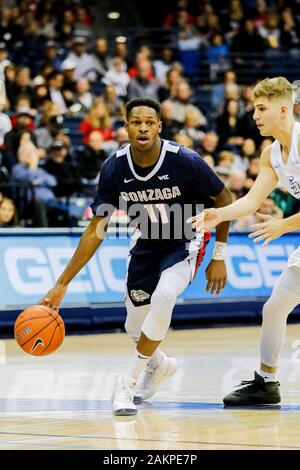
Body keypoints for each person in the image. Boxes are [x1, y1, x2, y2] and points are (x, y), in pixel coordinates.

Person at [39, 98, 232, 416]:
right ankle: (160, 365)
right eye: (136, 121)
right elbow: (95, 229)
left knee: (166, 294)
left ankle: (126, 383)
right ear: (125, 126)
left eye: (149, 121)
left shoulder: (185, 159)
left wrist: (219, 255)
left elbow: (226, 198)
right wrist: (62, 283)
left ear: (159, 126)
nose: (142, 126)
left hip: (186, 240)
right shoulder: (114, 167)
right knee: (134, 325)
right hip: (145, 242)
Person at [188, 76, 300, 406]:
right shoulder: (271, 155)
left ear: (283, 109)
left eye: (262, 108)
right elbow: (250, 202)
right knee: (275, 307)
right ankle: (266, 383)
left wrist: (284, 226)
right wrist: (219, 215)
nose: (255, 115)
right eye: (254, 108)